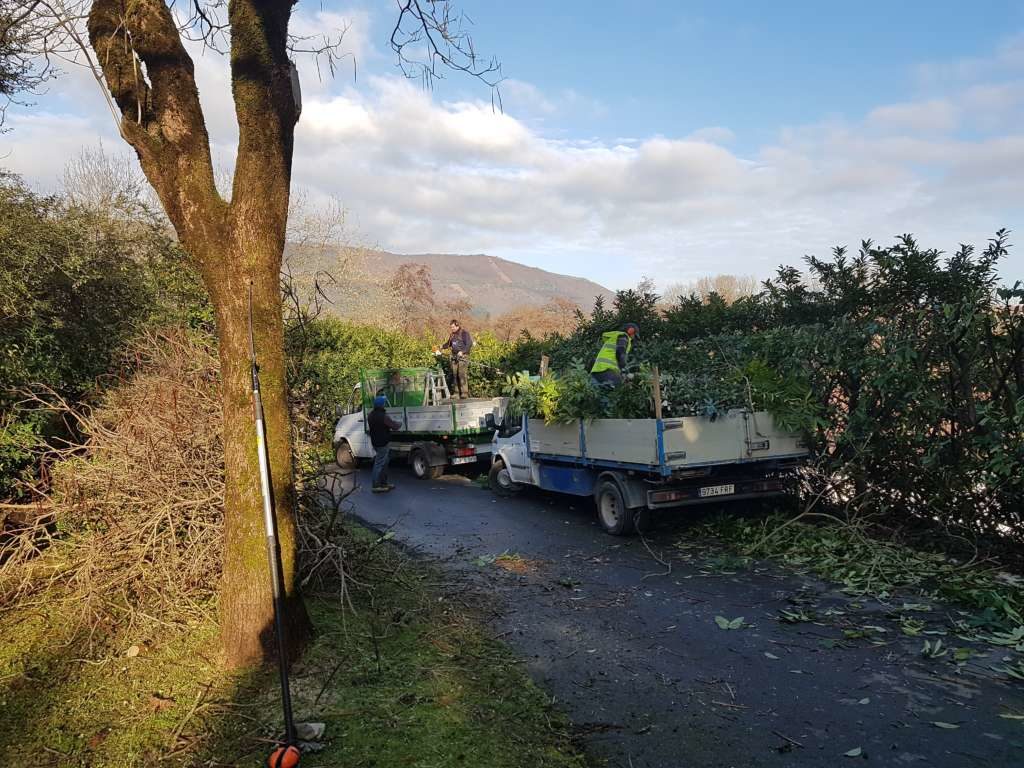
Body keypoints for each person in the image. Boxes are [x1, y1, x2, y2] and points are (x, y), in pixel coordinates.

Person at [367, 395, 401, 493]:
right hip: (383, 443)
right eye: (384, 403)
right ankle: (376, 485)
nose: (385, 405)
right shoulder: (383, 416)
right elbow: (394, 426)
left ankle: (383, 483)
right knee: (379, 463)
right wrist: (400, 423)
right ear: (381, 405)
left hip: (375, 442)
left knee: (384, 462)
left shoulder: (371, 415)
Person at [439, 319, 474, 399]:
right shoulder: (452, 335)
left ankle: (464, 393)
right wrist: (441, 346)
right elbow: (448, 344)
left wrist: (462, 351)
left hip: (463, 357)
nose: (452, 329)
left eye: (453, 327)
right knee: (455, 375)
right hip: (454, 357)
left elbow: (469, 344)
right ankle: (456, 393)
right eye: (451, 327)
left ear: (457, 325)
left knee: (461, 374)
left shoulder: (464, 333)